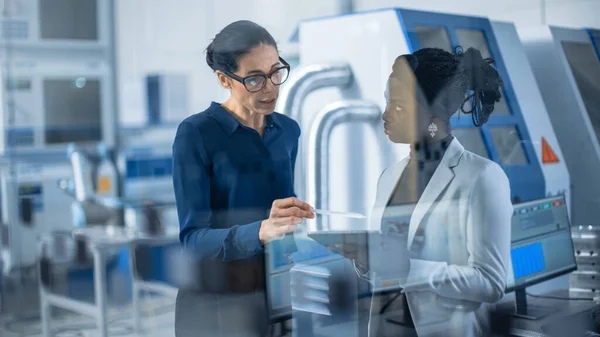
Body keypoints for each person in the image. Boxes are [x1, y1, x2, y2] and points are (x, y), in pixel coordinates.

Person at [172, 20, 315, 337]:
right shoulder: (196, 134)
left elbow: (280, 215)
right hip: (217, 303)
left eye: (276, 72)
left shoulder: (288, 131)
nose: (271, 88)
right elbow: (193, 239)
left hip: (275, 292)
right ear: (224, 79)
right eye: (254, 79)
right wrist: (260, 231)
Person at [367, 47, 513, 337]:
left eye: (398, 105)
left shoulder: (482, 177)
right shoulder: (388, 178)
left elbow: (491, 282)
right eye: (386, 102)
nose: (385, 115)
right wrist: (363, 259)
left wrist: (412, 269)